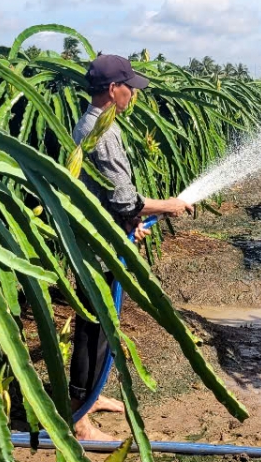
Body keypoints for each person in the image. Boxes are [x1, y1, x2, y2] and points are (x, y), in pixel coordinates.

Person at [69, 54, 193, 441]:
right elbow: (125, 200)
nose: (133, 94)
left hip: (98, 237)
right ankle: (79, 419)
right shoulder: (103, 135)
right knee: (95, 326)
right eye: (130, 88)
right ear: (113, 90)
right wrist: (167, 206)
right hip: (99, 248)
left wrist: (130, 225)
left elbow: (110, 200)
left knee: (98, 324)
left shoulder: (90, 122)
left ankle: (92, 396)